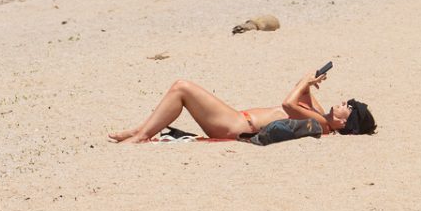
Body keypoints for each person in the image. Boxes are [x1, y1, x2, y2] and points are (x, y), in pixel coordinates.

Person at [108, 68, 376, 144]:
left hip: (235, 125)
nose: (343, 102)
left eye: (348, 106)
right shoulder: (318, 117)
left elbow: (289, 102)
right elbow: (300, 96)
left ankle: (140, 136)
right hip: (236, 120)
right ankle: (138, 131)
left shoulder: (321, 124)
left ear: (344, 123)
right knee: (182, 89)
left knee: (182, 87)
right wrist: (310, 80)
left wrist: (305, 83)